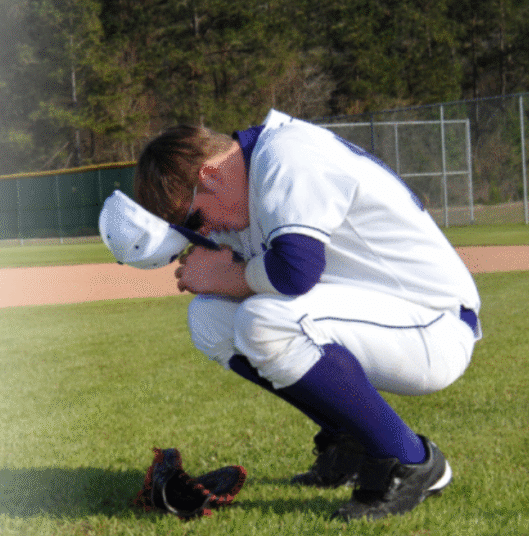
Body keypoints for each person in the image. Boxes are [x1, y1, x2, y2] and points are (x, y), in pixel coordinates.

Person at [132, 109, 482, 521]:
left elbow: (296, 271)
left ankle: (409, 460)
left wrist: (228, 277)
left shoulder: (284, 154)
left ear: (208, 177)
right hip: (385, 317)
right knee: (209, 320)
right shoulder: (250, 177)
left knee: (266, 321)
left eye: (194, 218)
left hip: (433, 324)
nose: (203, 231)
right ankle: (348, 440)